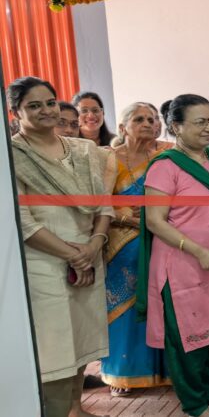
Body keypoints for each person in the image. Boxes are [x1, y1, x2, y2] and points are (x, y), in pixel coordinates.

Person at [139, 93, 209, 417]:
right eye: (199, 122)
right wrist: (198, 251)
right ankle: (194, 404)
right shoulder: (164, 167)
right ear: (176, 127)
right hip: (184, 264)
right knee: (189, 338)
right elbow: (155, 221)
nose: (208, 128)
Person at [10, 76, 114, 417]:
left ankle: (75, 409)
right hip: (44, 264)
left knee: (82, 347)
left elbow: (103, 203)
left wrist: (94, 245)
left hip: (88, 258)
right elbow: (22, 221)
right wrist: (74, 256)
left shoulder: (84, 150)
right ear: (15, 113)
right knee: (54, 355)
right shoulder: (12, 156)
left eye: (50, 102)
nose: (46, 110)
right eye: (33, 105)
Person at [101, 103, 172, 396]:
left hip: (159, 238)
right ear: (122, 128)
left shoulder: (165, 156)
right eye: (139, 119)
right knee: (124, 308)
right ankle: (123, 375)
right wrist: (126, 216)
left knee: (161, 303)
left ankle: (165, 372)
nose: (148, 123)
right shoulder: (110, 158)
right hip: (124, 244)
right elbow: (100, 200)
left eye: (152, 119)